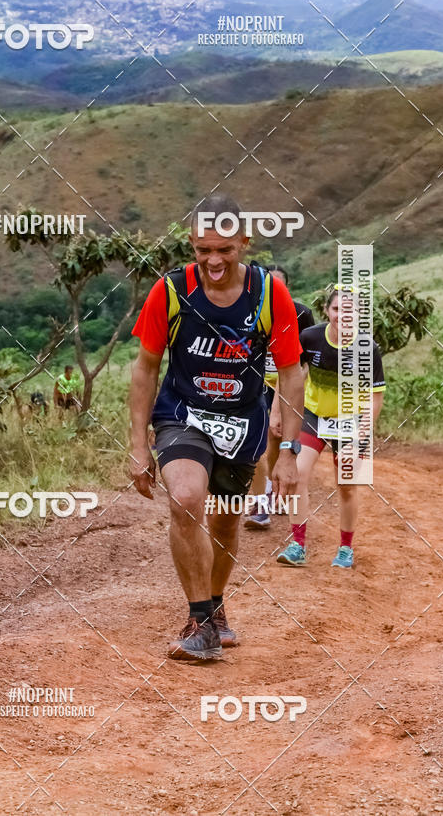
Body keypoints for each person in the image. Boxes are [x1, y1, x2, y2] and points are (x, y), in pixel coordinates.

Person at [129, 194, 304, 661]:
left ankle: (215, 607)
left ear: (244, 243)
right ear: (191, 243)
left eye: (224, 249)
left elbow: (291, 371)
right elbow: (145, 368)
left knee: (226, 523)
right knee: (186, 500)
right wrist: (136, 446)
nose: (213, 260)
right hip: (182, 414)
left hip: (243, 424)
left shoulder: (269, 294)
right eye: (203, 249)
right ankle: (200, 620)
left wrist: (288, 452)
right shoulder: (169, 291)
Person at [276, 285, 385, 569]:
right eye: (337, 310)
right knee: (297, 474)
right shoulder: (310, 337)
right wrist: (278, 411)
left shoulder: (368, 349)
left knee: (347, 486)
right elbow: (290, 375)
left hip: (350, 422)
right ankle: (297, 545)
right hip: (313, 416)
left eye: (350, 311)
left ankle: (346, 549)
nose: (342, 316)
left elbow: (375, 396)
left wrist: (363, 432)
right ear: (327, 310)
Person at [246, 265, 315, 529]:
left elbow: (306, 362)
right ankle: (260, 504)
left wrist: (289, 391)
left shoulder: (301, 314)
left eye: (280, 285)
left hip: (287, 385)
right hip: (254, 384)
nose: (274, 290)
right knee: (256, 444)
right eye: (269, 285)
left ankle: (277, 489)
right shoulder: (248, 311)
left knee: (277, 440)